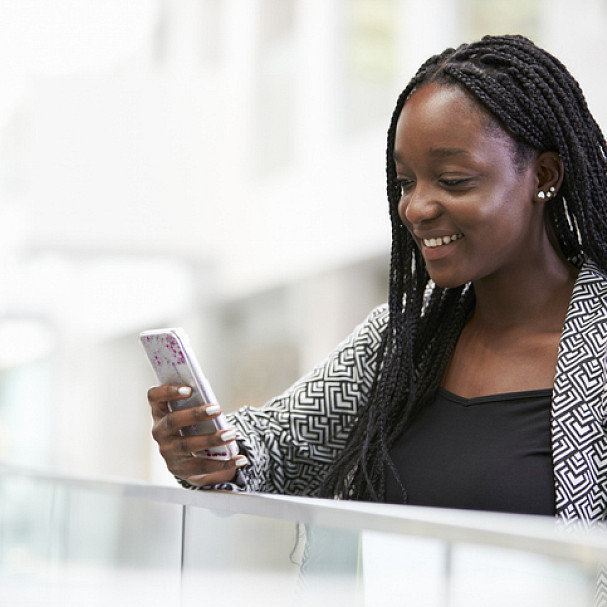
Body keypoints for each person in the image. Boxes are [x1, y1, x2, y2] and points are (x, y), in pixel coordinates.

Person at [148, 34, 607, 521]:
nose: (416, 207)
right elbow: (273, 448)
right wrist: (207, 449)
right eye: (406, 182)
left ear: (544, 176)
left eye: (453, 181)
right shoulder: (401, 338)